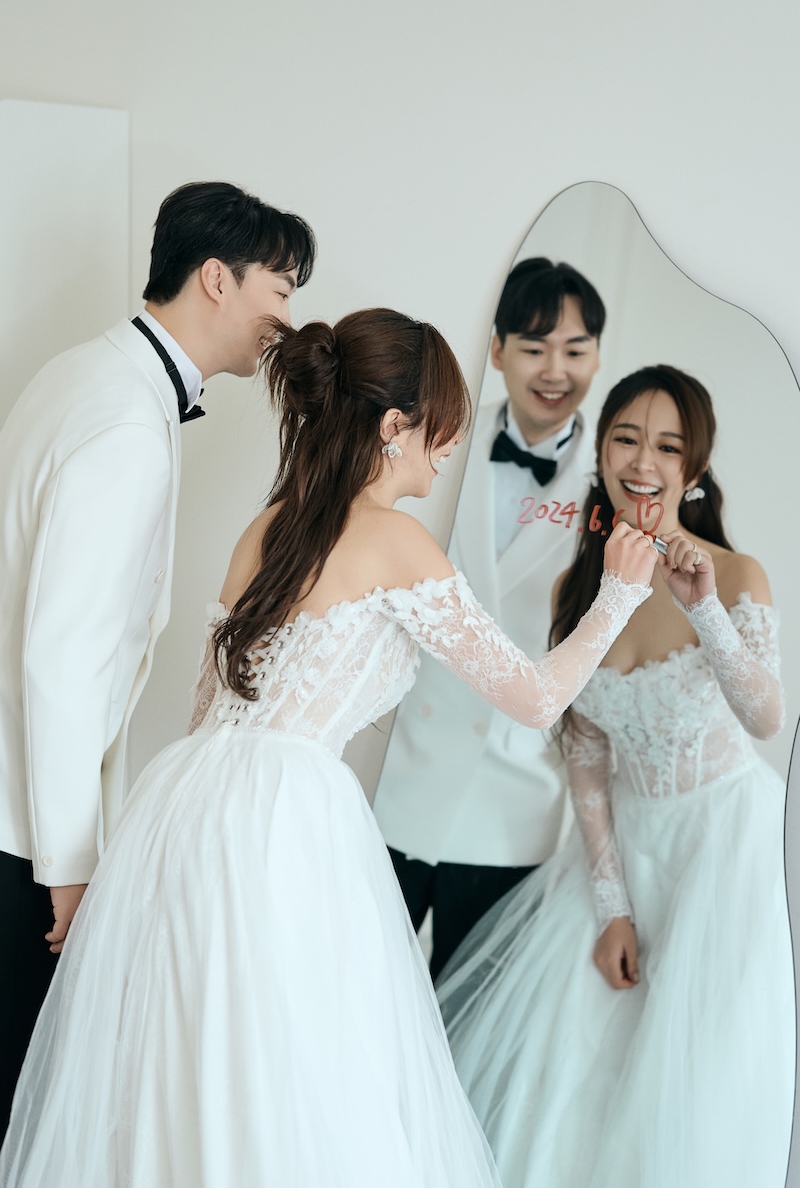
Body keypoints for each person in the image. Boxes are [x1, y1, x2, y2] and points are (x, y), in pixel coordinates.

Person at [0, 310, 656, 1187]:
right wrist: (618, 596)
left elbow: (210, 704)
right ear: (395, 426)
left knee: (186, 1052)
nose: (449, 445)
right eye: (442, 423)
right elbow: (535, 700)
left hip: (185, 803)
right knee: (293, 1064)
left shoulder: (269, 526)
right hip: (285, 819)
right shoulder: (396, 541)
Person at [0, 180, 316, 1135]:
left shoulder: (79, 372)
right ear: (217, 278)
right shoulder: (128, 423)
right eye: (280, 288)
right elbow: (63, 658)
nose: (285, 317)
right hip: (22, 831)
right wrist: (69, 863)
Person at [437, 365, 795, 1188]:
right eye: (627, 438)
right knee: (574, 1083)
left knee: (697, 1085)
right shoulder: (580, 586)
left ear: (694, 469)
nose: (644, 461)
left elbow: (766, 719)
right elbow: (587, 761)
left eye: (668, 446)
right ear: (601, 454)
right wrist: (611, 909)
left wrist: (704, 607)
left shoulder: (737, 575)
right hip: (621, 854)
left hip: (726, 855)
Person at [374, 257, 606, 977]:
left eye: (575, 350)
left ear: (598, 357)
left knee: (469, 1016)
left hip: (514, 801)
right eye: (535, 347)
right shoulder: (435, 450)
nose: (555, 370)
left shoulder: (612, 483)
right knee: (362, 992)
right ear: (499, 350)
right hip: (401, 779)